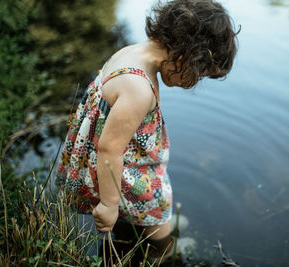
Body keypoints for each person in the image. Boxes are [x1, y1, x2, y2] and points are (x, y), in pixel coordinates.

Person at [55, 0, 238, 262]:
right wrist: (108, 204)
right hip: (124, 168)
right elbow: (109, 149)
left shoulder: (133, 53)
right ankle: (163, 250)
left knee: (155, 205)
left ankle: (146, 226)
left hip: (118, 154)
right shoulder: (138, 89)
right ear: (185, 58)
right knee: (158, 202)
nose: (193, 83)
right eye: (198, 75)